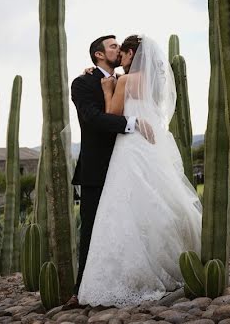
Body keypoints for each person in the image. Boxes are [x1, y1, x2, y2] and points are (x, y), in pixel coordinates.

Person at [75, 34, 201, 308]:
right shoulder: (88, 82)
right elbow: (95, 118)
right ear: (98, 55)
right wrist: (130, 118)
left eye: (121, 48)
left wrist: (110, 91)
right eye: (113, 47)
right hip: (124, 156)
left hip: (129, 153)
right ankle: (82, 285)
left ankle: (123, 279)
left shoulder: (122, 80)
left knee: (128, 214)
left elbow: (112, 110)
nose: (118, 50)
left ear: (132, 54)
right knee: (145, 209)